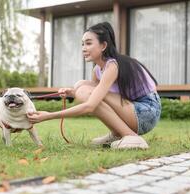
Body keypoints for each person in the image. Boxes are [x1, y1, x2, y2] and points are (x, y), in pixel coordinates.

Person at [27, 22, 161, 149]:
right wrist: (72, 92)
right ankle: (117, 134)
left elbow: (91, 105)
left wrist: (48, 116)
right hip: (132, 109)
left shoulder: (113, 65)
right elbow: (99, 100)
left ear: (103, 46)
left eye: (88, 43)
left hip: (147, 112)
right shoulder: (98, 70)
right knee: (80, 85)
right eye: (82, 44)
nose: (83, 49)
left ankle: (131, 137)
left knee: (84, 91)